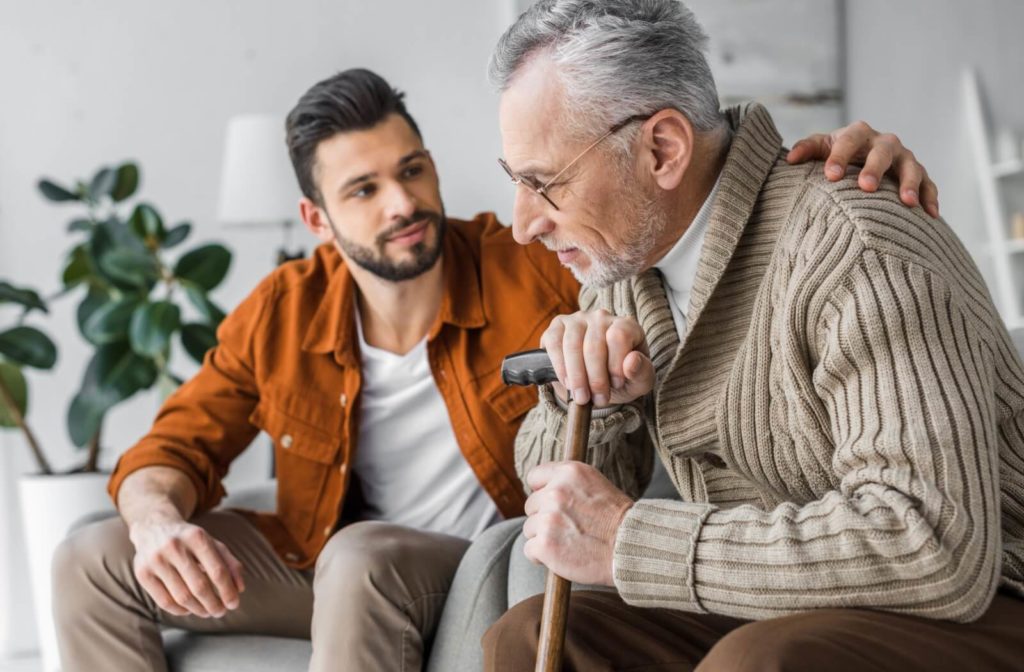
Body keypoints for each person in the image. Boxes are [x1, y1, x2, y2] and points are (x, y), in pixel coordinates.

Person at [50, 65, 937, 671]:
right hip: (324, 561)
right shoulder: (283, 308)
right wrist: (159, 522)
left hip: (464, 557)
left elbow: (677, 229)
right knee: (91, 551)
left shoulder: (531, 261)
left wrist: (815, 169)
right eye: (363, 191)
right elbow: (174, 443)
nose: (403, 204)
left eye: (413, 170)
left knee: (363, 555)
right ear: (317, 221)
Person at [483, 2, 1024, 671]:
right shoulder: (624, 269)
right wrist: (585, 395)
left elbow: (933, 544)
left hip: (987, 604)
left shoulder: (855, 244)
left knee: (755, 661)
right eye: (518, 182)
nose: (522, 224)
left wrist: (630, 537)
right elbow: (551, 503)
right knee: (530, 637)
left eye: (544, 184)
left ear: (662, 149)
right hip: (780, 608)